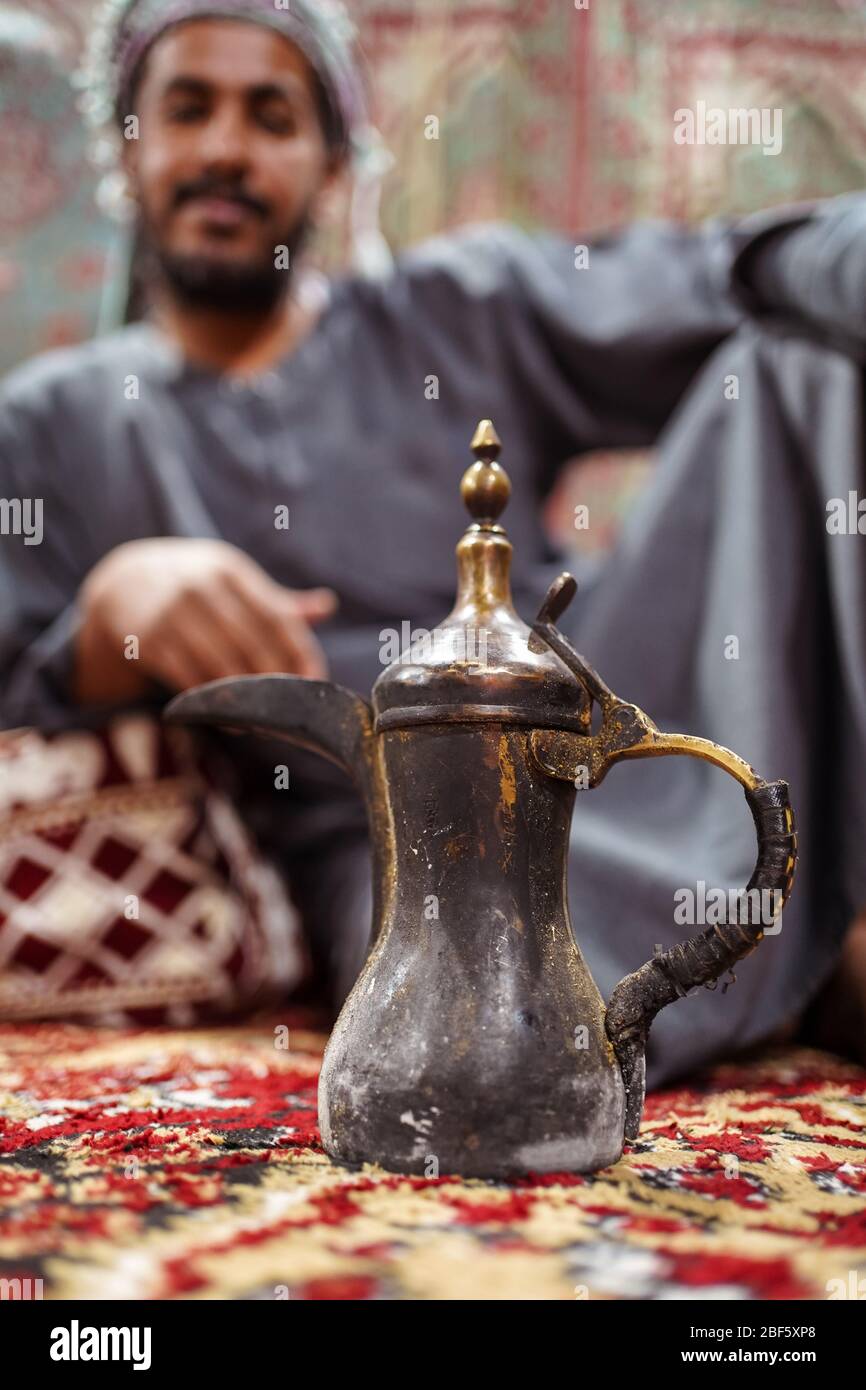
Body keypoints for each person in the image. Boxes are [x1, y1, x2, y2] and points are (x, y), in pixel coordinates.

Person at [1, 0, 864, 1085]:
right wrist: (113, 614)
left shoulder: (454, 311)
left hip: (627, 723)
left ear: (328, 168)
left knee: (801, 356)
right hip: (413, 842)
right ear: (125, 154)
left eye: (270, 115)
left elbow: (727, 271)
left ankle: (799, 904)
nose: (224, 146)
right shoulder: (46, 426)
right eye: (186, 109)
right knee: (497, 1030)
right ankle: (794, 954)